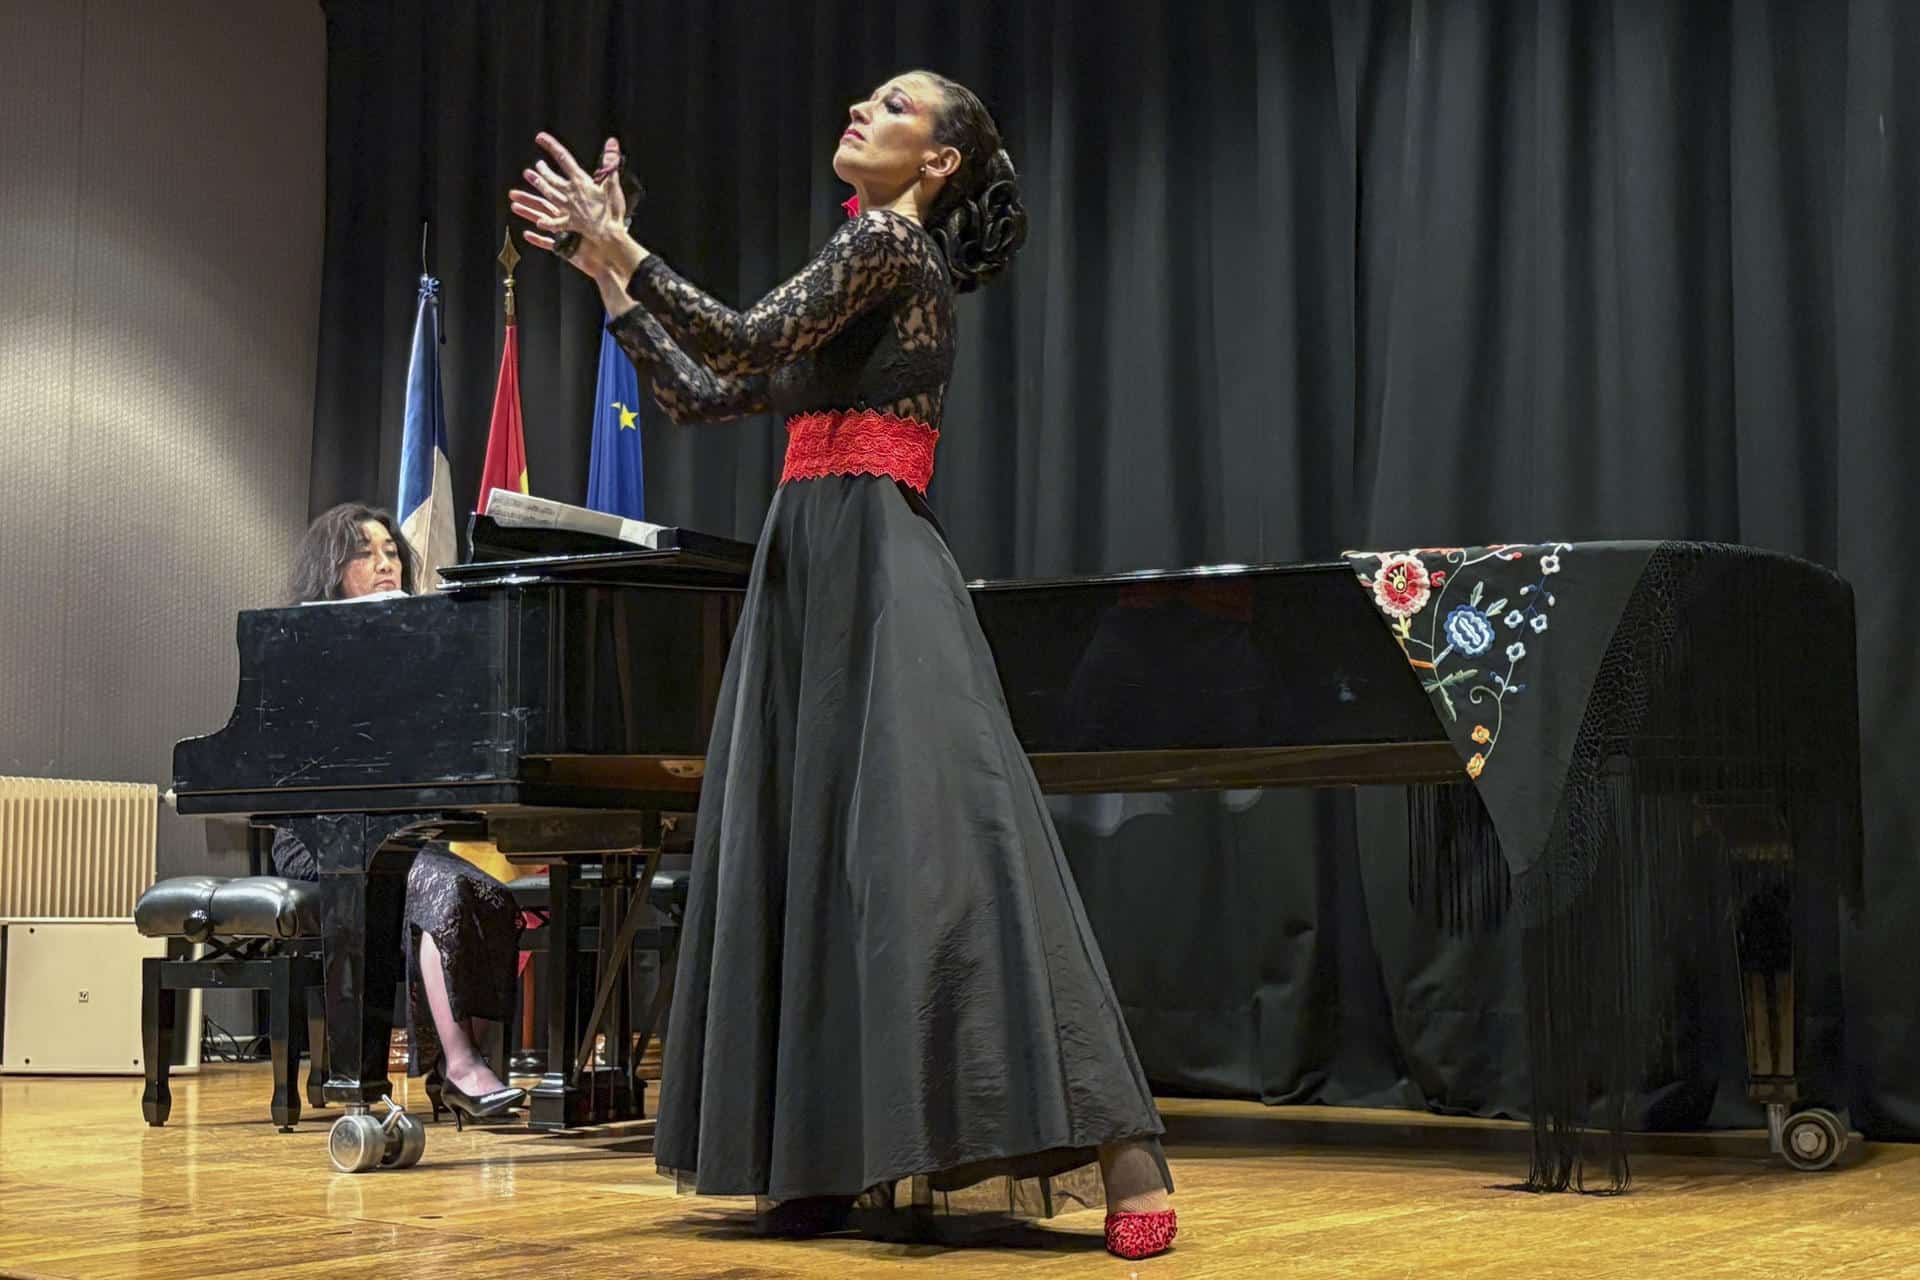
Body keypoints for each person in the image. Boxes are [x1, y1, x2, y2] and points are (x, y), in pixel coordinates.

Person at [511, 71, 1177, 1261]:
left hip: (877, 551)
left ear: (939, 164)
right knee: (807, 850)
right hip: (805, 561)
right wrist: (608, 274)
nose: (864, 111)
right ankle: (816, 1155)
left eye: (897, 108)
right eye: (866, 100)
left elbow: (749, 332)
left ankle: (1121, 1141)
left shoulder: (891, 249)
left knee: (959, 844)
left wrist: (627, 241)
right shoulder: (860, 260)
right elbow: (708, 391)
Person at [275, 503, 526, 1128]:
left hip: (397, 834)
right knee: (441, 885)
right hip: (320, 838)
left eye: (391, 550)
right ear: (331, 568)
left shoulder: (420, 641)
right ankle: (461, 1067)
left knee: (477, 887)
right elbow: (288, 755)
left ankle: (451, 1070)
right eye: (365, 552)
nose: (385, 561)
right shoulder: (302, 642)